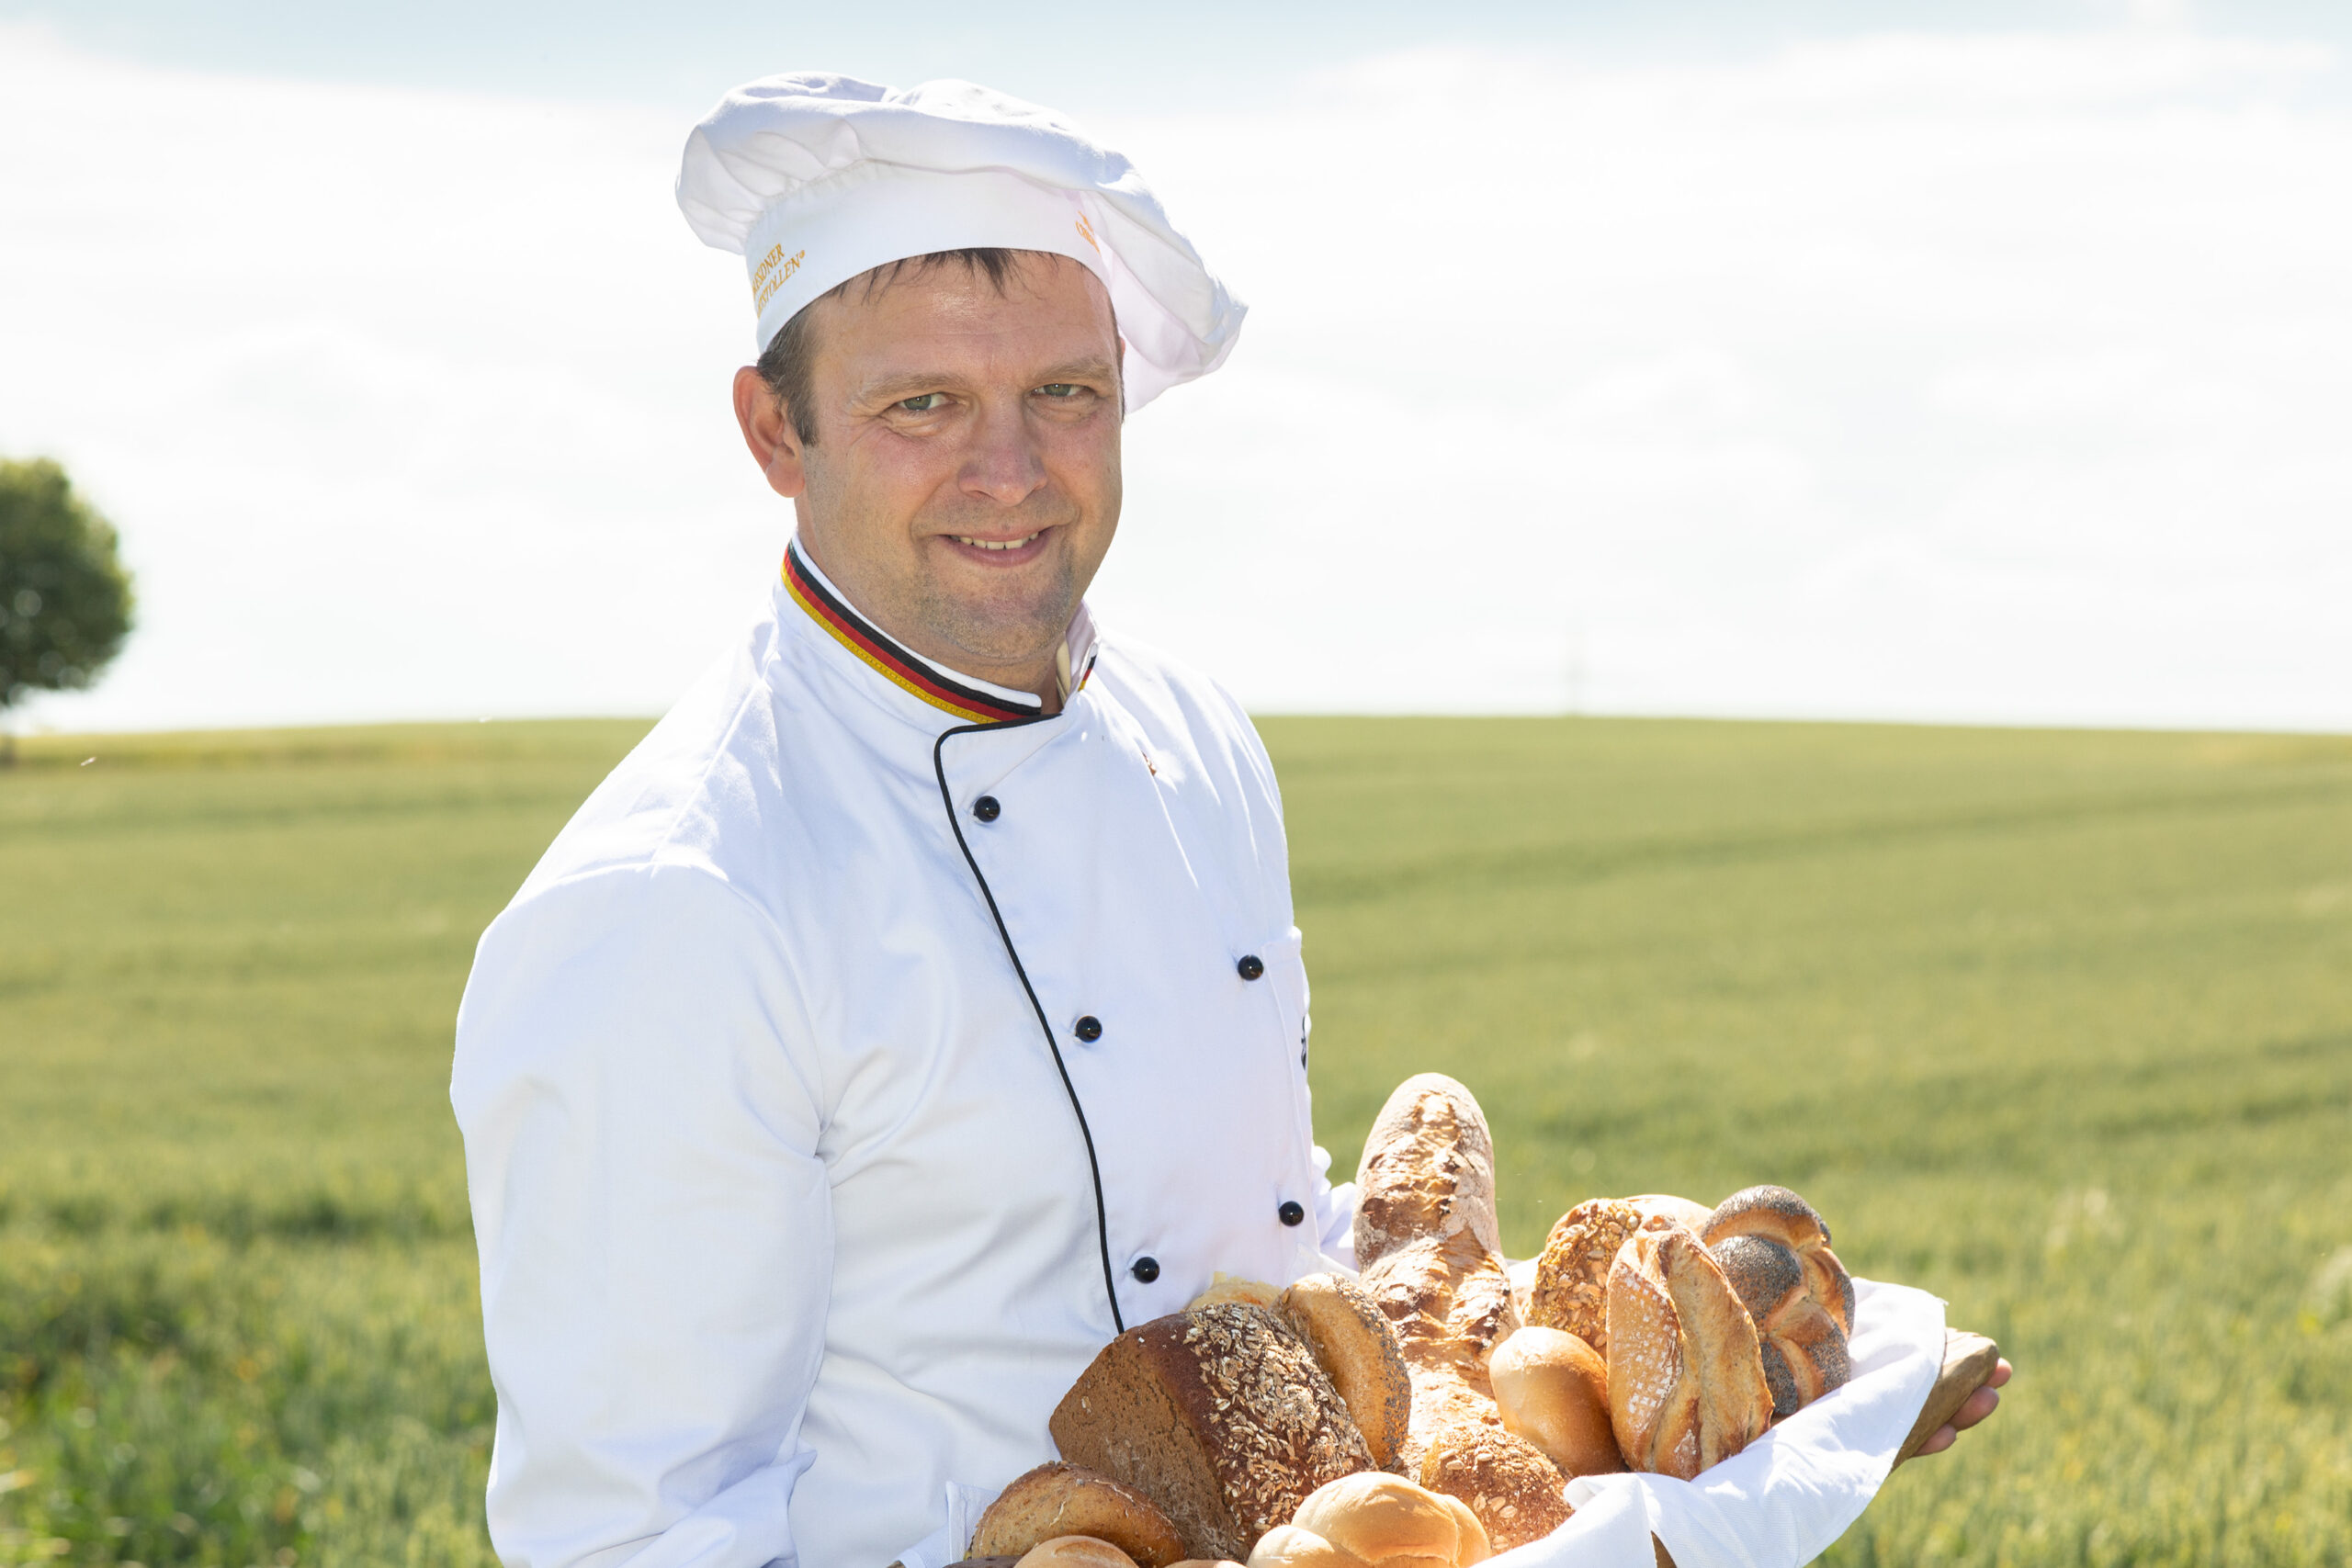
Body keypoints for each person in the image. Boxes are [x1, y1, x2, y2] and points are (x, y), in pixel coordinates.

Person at [452, 73, 2003, 1568]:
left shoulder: (1189, 739)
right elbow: (629, 1537)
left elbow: (1263, 1231)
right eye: (922, 405)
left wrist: (1788, 1414)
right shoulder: (675, 905)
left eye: (1064, 393)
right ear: (774, 433)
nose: (1012, 470)